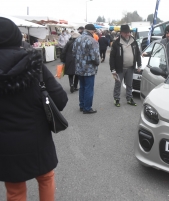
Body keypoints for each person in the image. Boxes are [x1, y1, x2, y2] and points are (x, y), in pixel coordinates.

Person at [0, 17, 68, 201]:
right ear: (16, 36)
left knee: (14, 189)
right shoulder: (34, 64)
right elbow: (60, 100)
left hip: (4, 143)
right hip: (37, 137)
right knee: (45, 178)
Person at [109, 24, 141, 107]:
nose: (128, 34)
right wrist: (112, 69)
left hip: (130, 67)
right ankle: (116, 99)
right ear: (121, 33)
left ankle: (129, 98)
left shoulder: (134, 42)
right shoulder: (116, 43)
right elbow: (112, 57)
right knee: (118, 84)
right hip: (119, 68)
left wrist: (139, 65)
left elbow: (137, 53)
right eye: (126, 33)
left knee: (130, 84)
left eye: (129, 32)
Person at [72, 24, 100, 114]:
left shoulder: (77, 39)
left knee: (82, 87)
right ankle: (87, 108)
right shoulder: (92, 41)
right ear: (92, 31)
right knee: (89, 88)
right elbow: (95, 57)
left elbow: (73, 53)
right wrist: (97, 63)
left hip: (79, 68)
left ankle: (82, 105)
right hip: (89, 69)